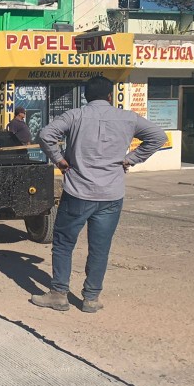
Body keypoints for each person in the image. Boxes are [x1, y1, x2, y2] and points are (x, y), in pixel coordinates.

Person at [30, 76, 167, 313]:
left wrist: (60, 160)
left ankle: (59, 294)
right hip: (111, 195)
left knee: (63, 243)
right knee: (100, 247)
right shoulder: (128, 117)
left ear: (86, 96)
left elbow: (45, 135)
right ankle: (91, 298)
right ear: (110, 96)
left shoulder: (75, 116)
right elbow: (158, 137)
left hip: (78, 192)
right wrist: (131, 159)